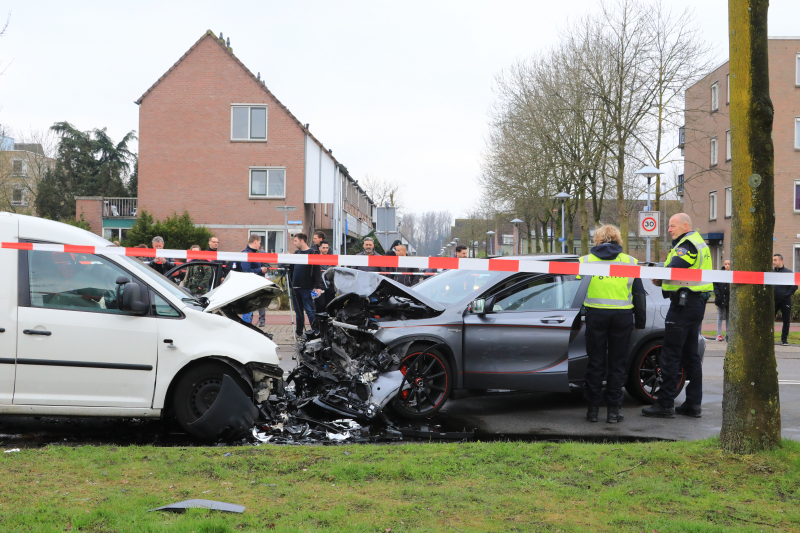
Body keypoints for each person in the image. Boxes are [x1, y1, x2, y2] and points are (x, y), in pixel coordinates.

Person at [643, 213, 712, 419]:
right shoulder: (699, 243)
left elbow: (676, 267)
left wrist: (658, 275)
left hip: (683, 306)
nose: (669, 230)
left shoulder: (687, 243)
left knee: (671, 355)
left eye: (672, 226)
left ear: (685, 225)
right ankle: (693, 404)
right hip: (695, 304)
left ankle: (665, 404)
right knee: (691, 357)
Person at [578, 225, 646, 424]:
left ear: (597, 239)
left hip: (595, 315)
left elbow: (575, 290)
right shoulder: (630, 261)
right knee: (617, 363)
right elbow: (639, 294)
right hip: (622, 316)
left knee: (596, 362)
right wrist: (640, 320)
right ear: (618, 239)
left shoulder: (585, 261)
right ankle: (614, 411)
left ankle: (592, 410)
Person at [288, 233, 324, 338]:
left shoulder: (312, 253)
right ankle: (299, 332)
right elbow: (292, 268)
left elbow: (317, 271)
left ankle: (316, 331)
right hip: (295, 287)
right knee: (299, 312)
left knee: (310, 310)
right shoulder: (296, 254)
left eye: (295, 241)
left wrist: (318, 286)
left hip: (307, 287)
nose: (294, 243)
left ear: (302, 240)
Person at [239, 234, 270, 325]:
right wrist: (260, 270)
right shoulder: (247, 254)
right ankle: (245, 329)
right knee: (248, 311)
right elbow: (246, 270)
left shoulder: (253, 253)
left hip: (254, 284)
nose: (260, 245)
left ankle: (247, 328)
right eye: (259, 243)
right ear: (255, 241)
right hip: (249, 285)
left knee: (250, 310)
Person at [773, 253, 797, 346]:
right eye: (773, 260)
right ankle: (770, 339)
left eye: (775, 260)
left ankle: (784, 340)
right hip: (774, 300)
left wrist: (787, 295)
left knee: (786, 320)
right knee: (770, 319)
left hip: (785, 300)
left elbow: (794, 285)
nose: (773, 262)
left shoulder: (788, 272)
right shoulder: (771, 272)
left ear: (781, 261)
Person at [315, 240, 336, 313]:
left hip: (329, 285)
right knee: (320, 305)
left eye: (327, 248)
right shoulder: (315, 258)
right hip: (319, 285)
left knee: (329, 304)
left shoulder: (331, 258)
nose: (325, 249)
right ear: (319, 248)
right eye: (323, 248)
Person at [713, 259, 731, 342]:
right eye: (726, 264)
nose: (727, 265)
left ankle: (728, 334)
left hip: (729, 299)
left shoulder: (732, 274)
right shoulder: (720, 274)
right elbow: (715, 285)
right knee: (720, 316)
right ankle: (719, 334)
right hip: (720, 298)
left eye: (729, 264)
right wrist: (718, 295)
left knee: (728, 316)